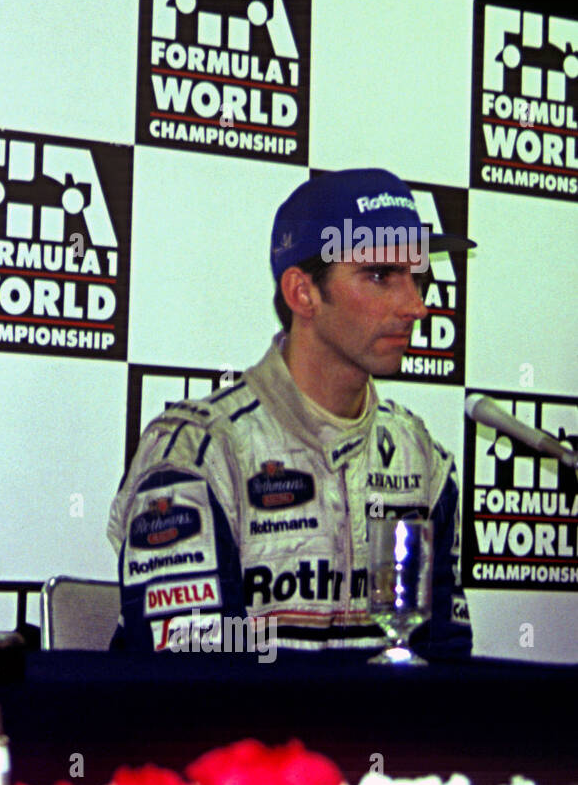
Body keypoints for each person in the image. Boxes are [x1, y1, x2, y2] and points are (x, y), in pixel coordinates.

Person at [107, 168, 472, 658]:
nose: (415, 306)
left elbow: (447, 667)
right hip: (246, 735)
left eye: (416, 277)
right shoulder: (201, 452)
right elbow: (189, 682)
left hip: (381, 736)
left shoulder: (418, 456)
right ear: (303, 293)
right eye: (381, 275)